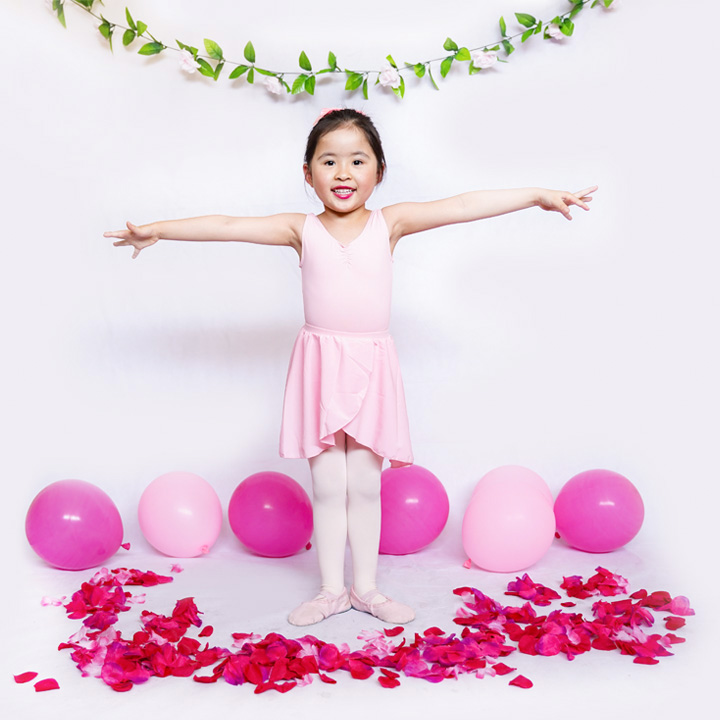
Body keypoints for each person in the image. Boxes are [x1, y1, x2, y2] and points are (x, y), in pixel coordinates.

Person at [105, 108, 596, 627]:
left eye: (357, 161)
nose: (343, 173)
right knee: (326, 486)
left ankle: (366, 589)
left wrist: (536, 195)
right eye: (329, 161)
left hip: (371, 367)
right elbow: (227, 225)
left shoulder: (391, 223)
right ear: (307, 172)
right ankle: (330, 591)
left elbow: (461, 204)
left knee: (364, 484)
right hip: (320, 365)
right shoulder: (300, 229)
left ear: (379, 171)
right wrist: (159, 231)